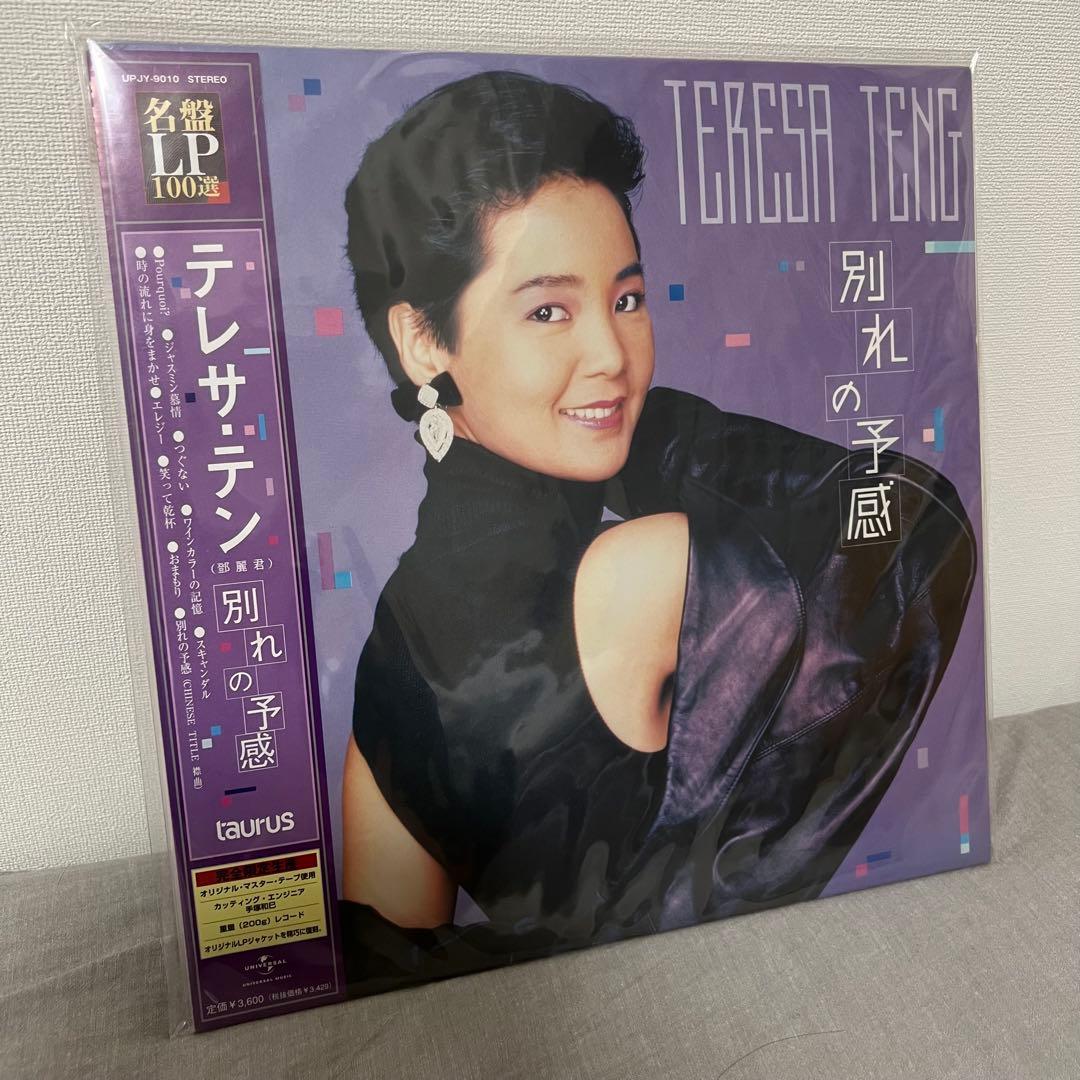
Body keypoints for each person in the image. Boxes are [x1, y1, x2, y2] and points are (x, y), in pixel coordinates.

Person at [337, 71, 977, 993]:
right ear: (423, 342)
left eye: (627, 299)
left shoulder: (392, 656)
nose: (612, 354)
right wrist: (658, 439)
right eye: (548, 310)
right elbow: (922, 524)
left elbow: (389, 982)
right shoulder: (638, 570)